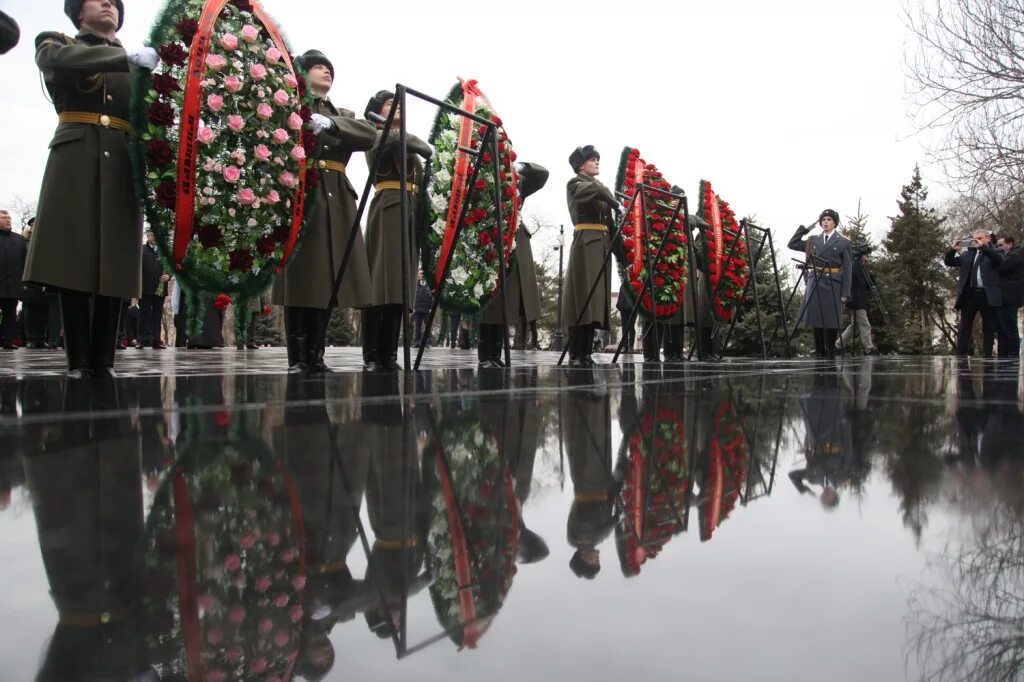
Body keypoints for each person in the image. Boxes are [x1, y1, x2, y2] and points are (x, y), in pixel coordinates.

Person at [22, 0, 159, 378]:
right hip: (77, 152)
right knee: (74, 255)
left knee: (116, 256)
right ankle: (78, 359)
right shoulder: (57, 41)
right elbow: (56, 61)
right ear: (79, 12)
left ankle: (105, 359)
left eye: (115, 3)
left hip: (121, 158)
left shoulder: (136, 63)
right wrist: (124, 58)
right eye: (99, 0)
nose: (109, 6)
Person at [273, 50, 376, 373]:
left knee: (328, 280)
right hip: (306, 192)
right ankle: (298, 357)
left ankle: (315, 355)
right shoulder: (290, 104)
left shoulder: (341, 113)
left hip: (338, 200)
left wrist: (331, 124)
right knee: (303, 277)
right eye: (319, 67)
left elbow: (368, 135)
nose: (326, 72)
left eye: (329, 68)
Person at [361, 90, 432, 372]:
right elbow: (386, 141)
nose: (399, 107)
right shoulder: (374, 131)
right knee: (380, 285)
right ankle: (372, 354)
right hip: (389, 207)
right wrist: (419, 144)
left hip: (410, 211)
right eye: (392, 104)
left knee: (400, 288)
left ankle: (389, 354)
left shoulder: (405, 140)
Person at [477, 162, 549, 367]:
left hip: (514, 241)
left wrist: (518, 165)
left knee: (506, 303)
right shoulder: (487, 176)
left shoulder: (517, 181)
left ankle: (496, 354)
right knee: (491, 302)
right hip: (491, 238)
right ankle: (485, 355)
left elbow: (542, 173)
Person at [564, 146, 617, 366]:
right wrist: (615, 201)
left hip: (601, 246)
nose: (597, 162)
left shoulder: (597, 188)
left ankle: (586, 352)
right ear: (580, 165)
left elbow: (610, 224)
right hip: (586, 243)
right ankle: (576, 353)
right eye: (592, 160)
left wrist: (622, 251)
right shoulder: (575, 183)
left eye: (597, 159)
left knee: (594, 301)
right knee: (582, 299)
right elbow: (594, 192)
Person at [788, 209, 853, 359]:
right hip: (815, 282)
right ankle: (819, 351)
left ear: (835, 223)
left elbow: (848, 268)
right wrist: (804, 230)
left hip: (833, 282)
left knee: (831, 320)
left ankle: (830, 351)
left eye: (829, 219)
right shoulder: (813, 240)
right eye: (823, 220)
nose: (826, 222)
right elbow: (792, 243)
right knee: (816, 319)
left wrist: (845, 293)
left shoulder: (843, 242)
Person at [945, 229, 1003, 358]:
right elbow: (949, 262)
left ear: (988, 239)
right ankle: (961, 353)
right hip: (969, 294)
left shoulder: (995, 252)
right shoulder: (967, 255)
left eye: (980, 238)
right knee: (965, 325)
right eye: (974, 238)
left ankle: (987, 353)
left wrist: (984, 248)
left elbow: (999, 261)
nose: (976, 241)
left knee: (988, 326)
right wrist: (953, 250)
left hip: (987, 294)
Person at [837, 249, 875, 354]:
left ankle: (838, 345)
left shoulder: (861, 267)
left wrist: (871, 275)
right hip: (856, 301)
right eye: (865, 256)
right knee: (865, 324)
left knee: (855, 325)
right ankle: (869, 348)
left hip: (859, 300)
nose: (867, 258)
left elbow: (869, 285)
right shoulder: (855, 265)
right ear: (860, 256)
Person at [0, 209, 27, 349]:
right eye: (4, 217)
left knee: (10, 313)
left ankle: (7, 340)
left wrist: (24, 281)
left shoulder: (19, 240)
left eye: (9, 217)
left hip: (13, 284)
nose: (8, 220)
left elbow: (25, 261)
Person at [137, 229, 168, 349]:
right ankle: (141, 339)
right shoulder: (142, 250)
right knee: (144, 314)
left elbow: (170, 266)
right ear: (147, 236)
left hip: (159, 289)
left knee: (157, 315)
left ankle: (156, 339)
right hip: (145, 287)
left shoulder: (163, 251)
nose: (153, 237)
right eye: (151, 235)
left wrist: (169, 276)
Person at [996, 235, 1023, 359]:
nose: (999, 248)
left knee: (1009, 327)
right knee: (1002, 327)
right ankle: (1004, 353)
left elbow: (1001, 267)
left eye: (1001, 245)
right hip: (1004, 297)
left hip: (1010, 297)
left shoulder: (1014, 255)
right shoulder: (1009, 255)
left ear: (1010, 244)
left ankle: (1012, 353)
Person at [412, 269, 432, 347]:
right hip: (417, 309)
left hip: (427, 309)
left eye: (422, 274)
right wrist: (413, 307)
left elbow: (432, 297)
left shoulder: (429, 284)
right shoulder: (415, 285)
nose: (421, 275)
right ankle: (417, 342)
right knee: (417, 327)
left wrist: (431, 307)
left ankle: (428, 342)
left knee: (427, 327)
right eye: (420, 274)